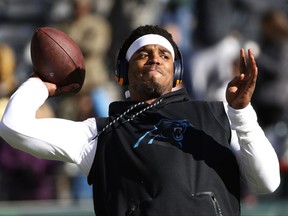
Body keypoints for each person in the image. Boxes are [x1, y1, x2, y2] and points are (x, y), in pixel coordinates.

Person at [0, 25, 280, 215]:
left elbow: (267, 182)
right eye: (143, 55)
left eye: (164, 55)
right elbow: (14, 127)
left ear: (177, 70)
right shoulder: (100, 133)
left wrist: (242, 113)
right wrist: (42, 82)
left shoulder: (218, 115)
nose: (154, 60)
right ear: (123, 71)